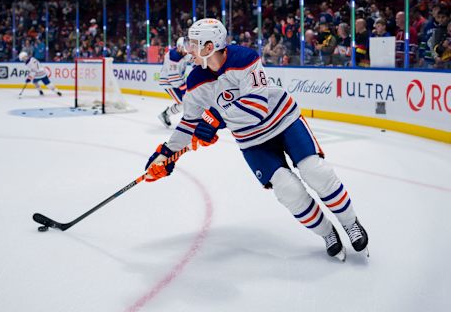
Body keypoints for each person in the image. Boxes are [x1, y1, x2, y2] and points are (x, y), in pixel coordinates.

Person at [144, 18, 369, 261]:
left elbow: (258, 106)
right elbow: (189, 122)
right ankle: (327, 233)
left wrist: (216, 116)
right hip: (251, 140)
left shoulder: (244, 59)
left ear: (210, 47)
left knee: (315, 171)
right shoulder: (196, 80)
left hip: (283, 120)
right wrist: (166, 154)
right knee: (287, 190)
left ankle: (350, 223)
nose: (189, 49)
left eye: (194, 43)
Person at [158, 37, 191, 128]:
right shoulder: (174, 57)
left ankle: (166, 114)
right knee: (183, 103)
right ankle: (165, 114)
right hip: (169, 83)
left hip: (176, 82)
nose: (187, 50)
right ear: (179, 47)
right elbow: (174, 79)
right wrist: (184, 91)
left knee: (185, 102)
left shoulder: (181, 53)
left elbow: (191, 58)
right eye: (185, 47)